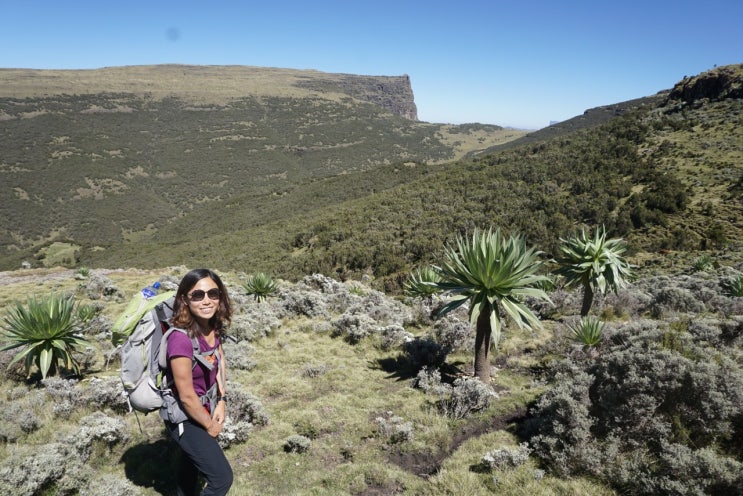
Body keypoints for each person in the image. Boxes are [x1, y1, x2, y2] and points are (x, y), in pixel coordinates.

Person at [161, 268, 233, 496]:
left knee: (190, 466)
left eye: (213, 293)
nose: (207, 301)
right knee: (221, 479)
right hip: (184, 415)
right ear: (185, 299)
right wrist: (210, 426)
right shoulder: (180, 340)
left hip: (206, 406)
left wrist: (221, 400)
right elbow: (187, 396)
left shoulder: (212, 327)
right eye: (197, 295)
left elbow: (219, 362)